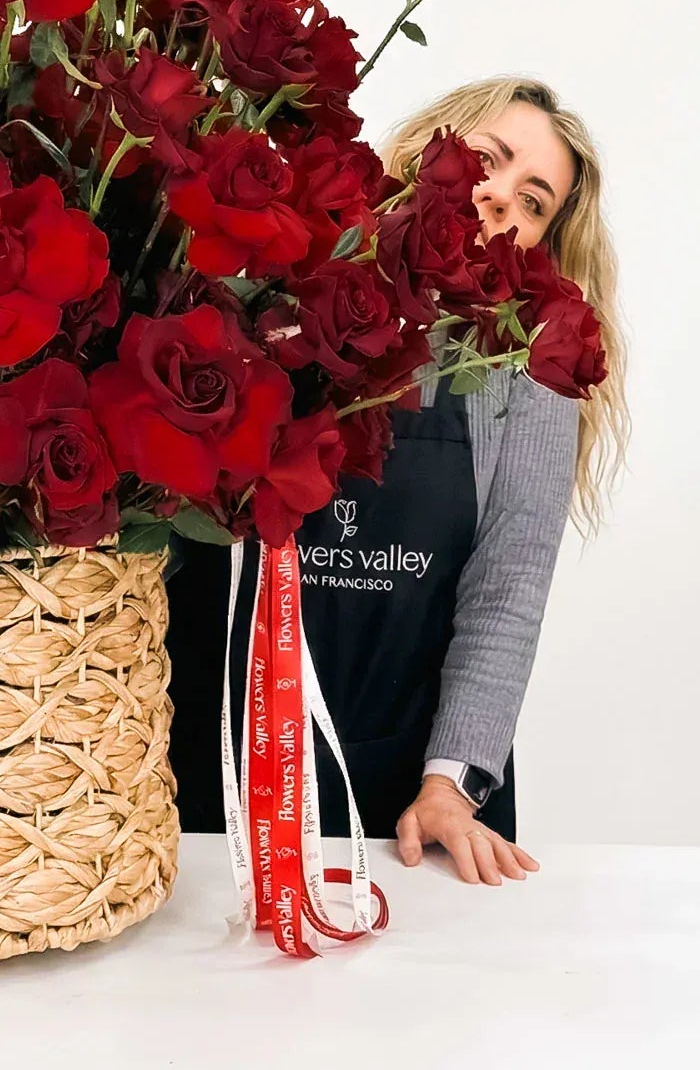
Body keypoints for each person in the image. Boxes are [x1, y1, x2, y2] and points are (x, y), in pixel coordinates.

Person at [164, 75, 630, 886]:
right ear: (431, 150)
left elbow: (507, 585)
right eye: (492, 161)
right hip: (208, 755)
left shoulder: (527, 371)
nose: (501, 203)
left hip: (409, 791)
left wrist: (451, 782)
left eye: (535, 202)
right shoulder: (284, 274)